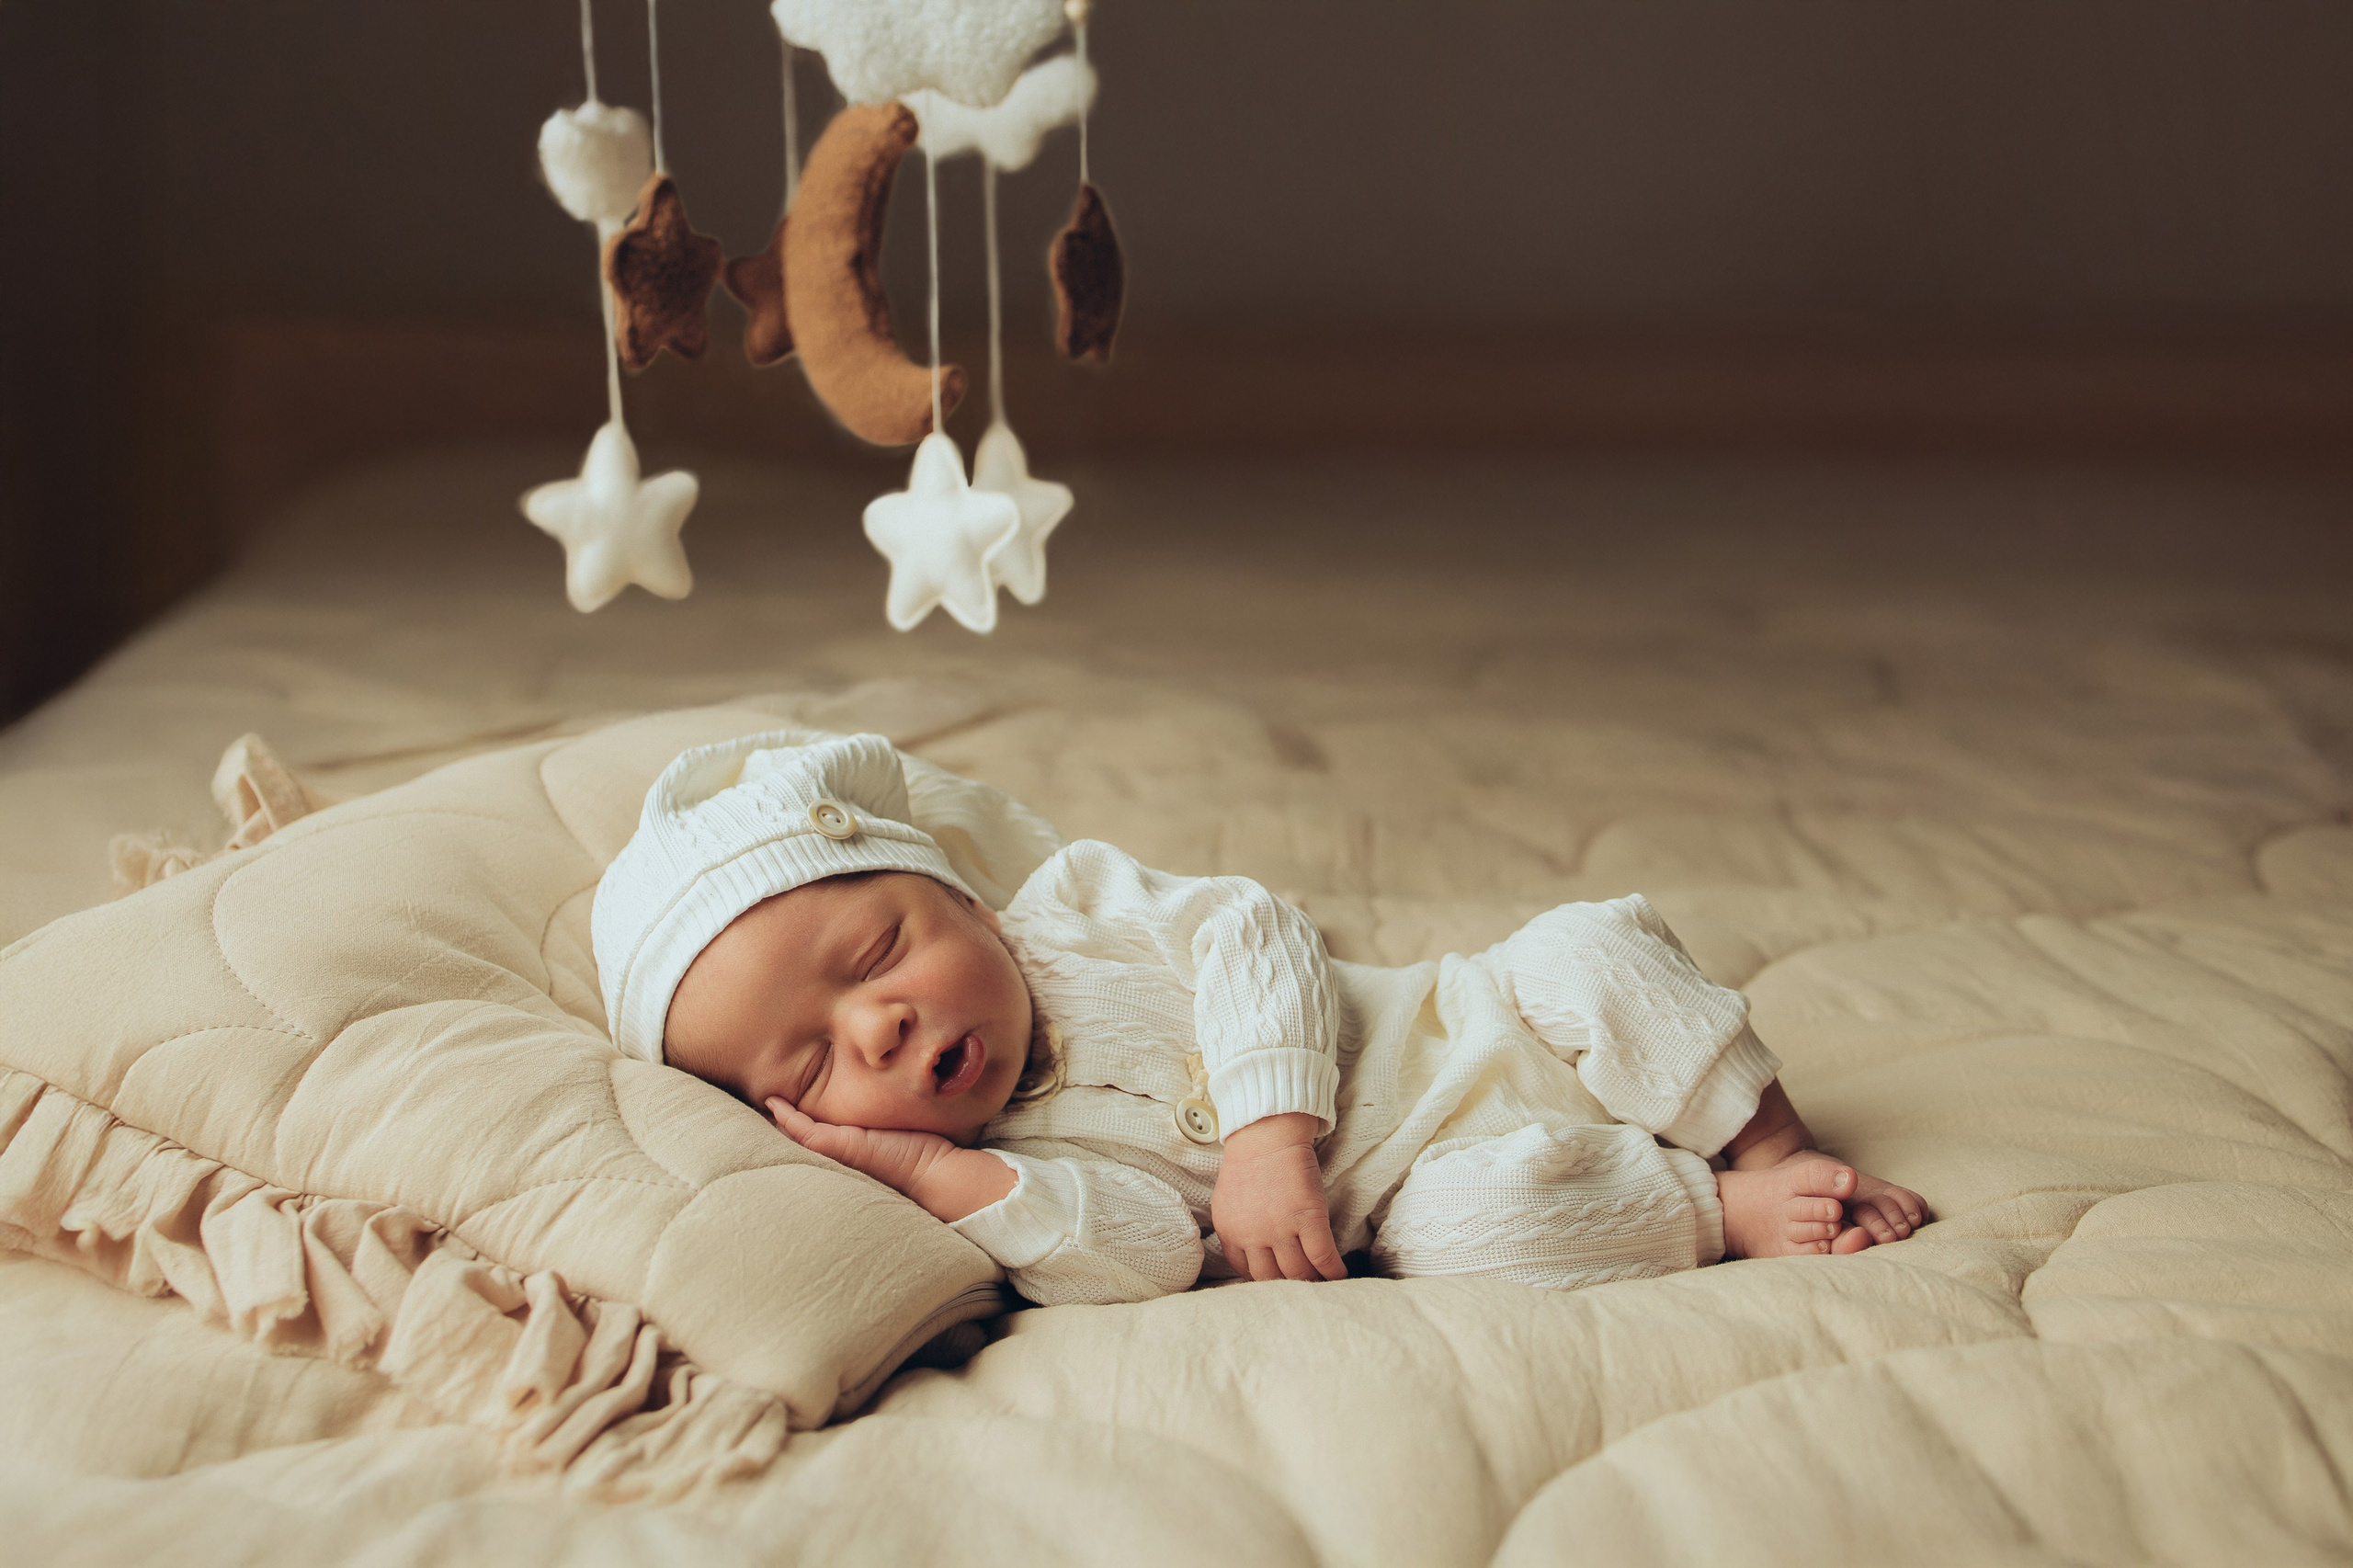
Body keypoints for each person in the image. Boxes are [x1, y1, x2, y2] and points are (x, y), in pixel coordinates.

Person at [595, 730, 1928, 1307]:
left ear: (959, 894)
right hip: (1429, 1184)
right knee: (1466, 1237)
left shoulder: (1073, 907)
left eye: (879, 948)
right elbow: (1143, 1260)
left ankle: (1763, 1138)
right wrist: (939, 1174)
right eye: (815, 1061)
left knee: (1590, 950)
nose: (877, 1027)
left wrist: (1269, 1137)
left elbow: (1258, 928)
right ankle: (1718, 1210)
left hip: (1481, 1015)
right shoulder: (1018, 1170)